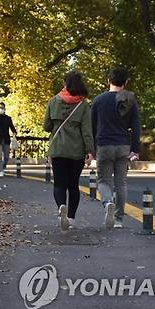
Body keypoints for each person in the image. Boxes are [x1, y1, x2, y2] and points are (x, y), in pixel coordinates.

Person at [43, 71, 94, 230]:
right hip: (76, 151)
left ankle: (61, 207)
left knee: (59, 183)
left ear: (65, 84)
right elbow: (87, 131)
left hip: (58, 149)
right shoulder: (83, 105)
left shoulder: (53, 101)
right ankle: (71, 218)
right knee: (73, 185)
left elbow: (46, 126)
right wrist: (90, 151)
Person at [91, 66, 141, 229]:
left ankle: (107, 204)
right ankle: (118, 219)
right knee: (121, 183)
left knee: (103, 180)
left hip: (104, 145)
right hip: (123, 146)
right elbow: (136, 126)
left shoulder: (98, 100)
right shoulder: (129, 99)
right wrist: (135, 149)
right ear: (125, 82)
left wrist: (91, 151)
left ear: (108, 81)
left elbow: (91, 127)